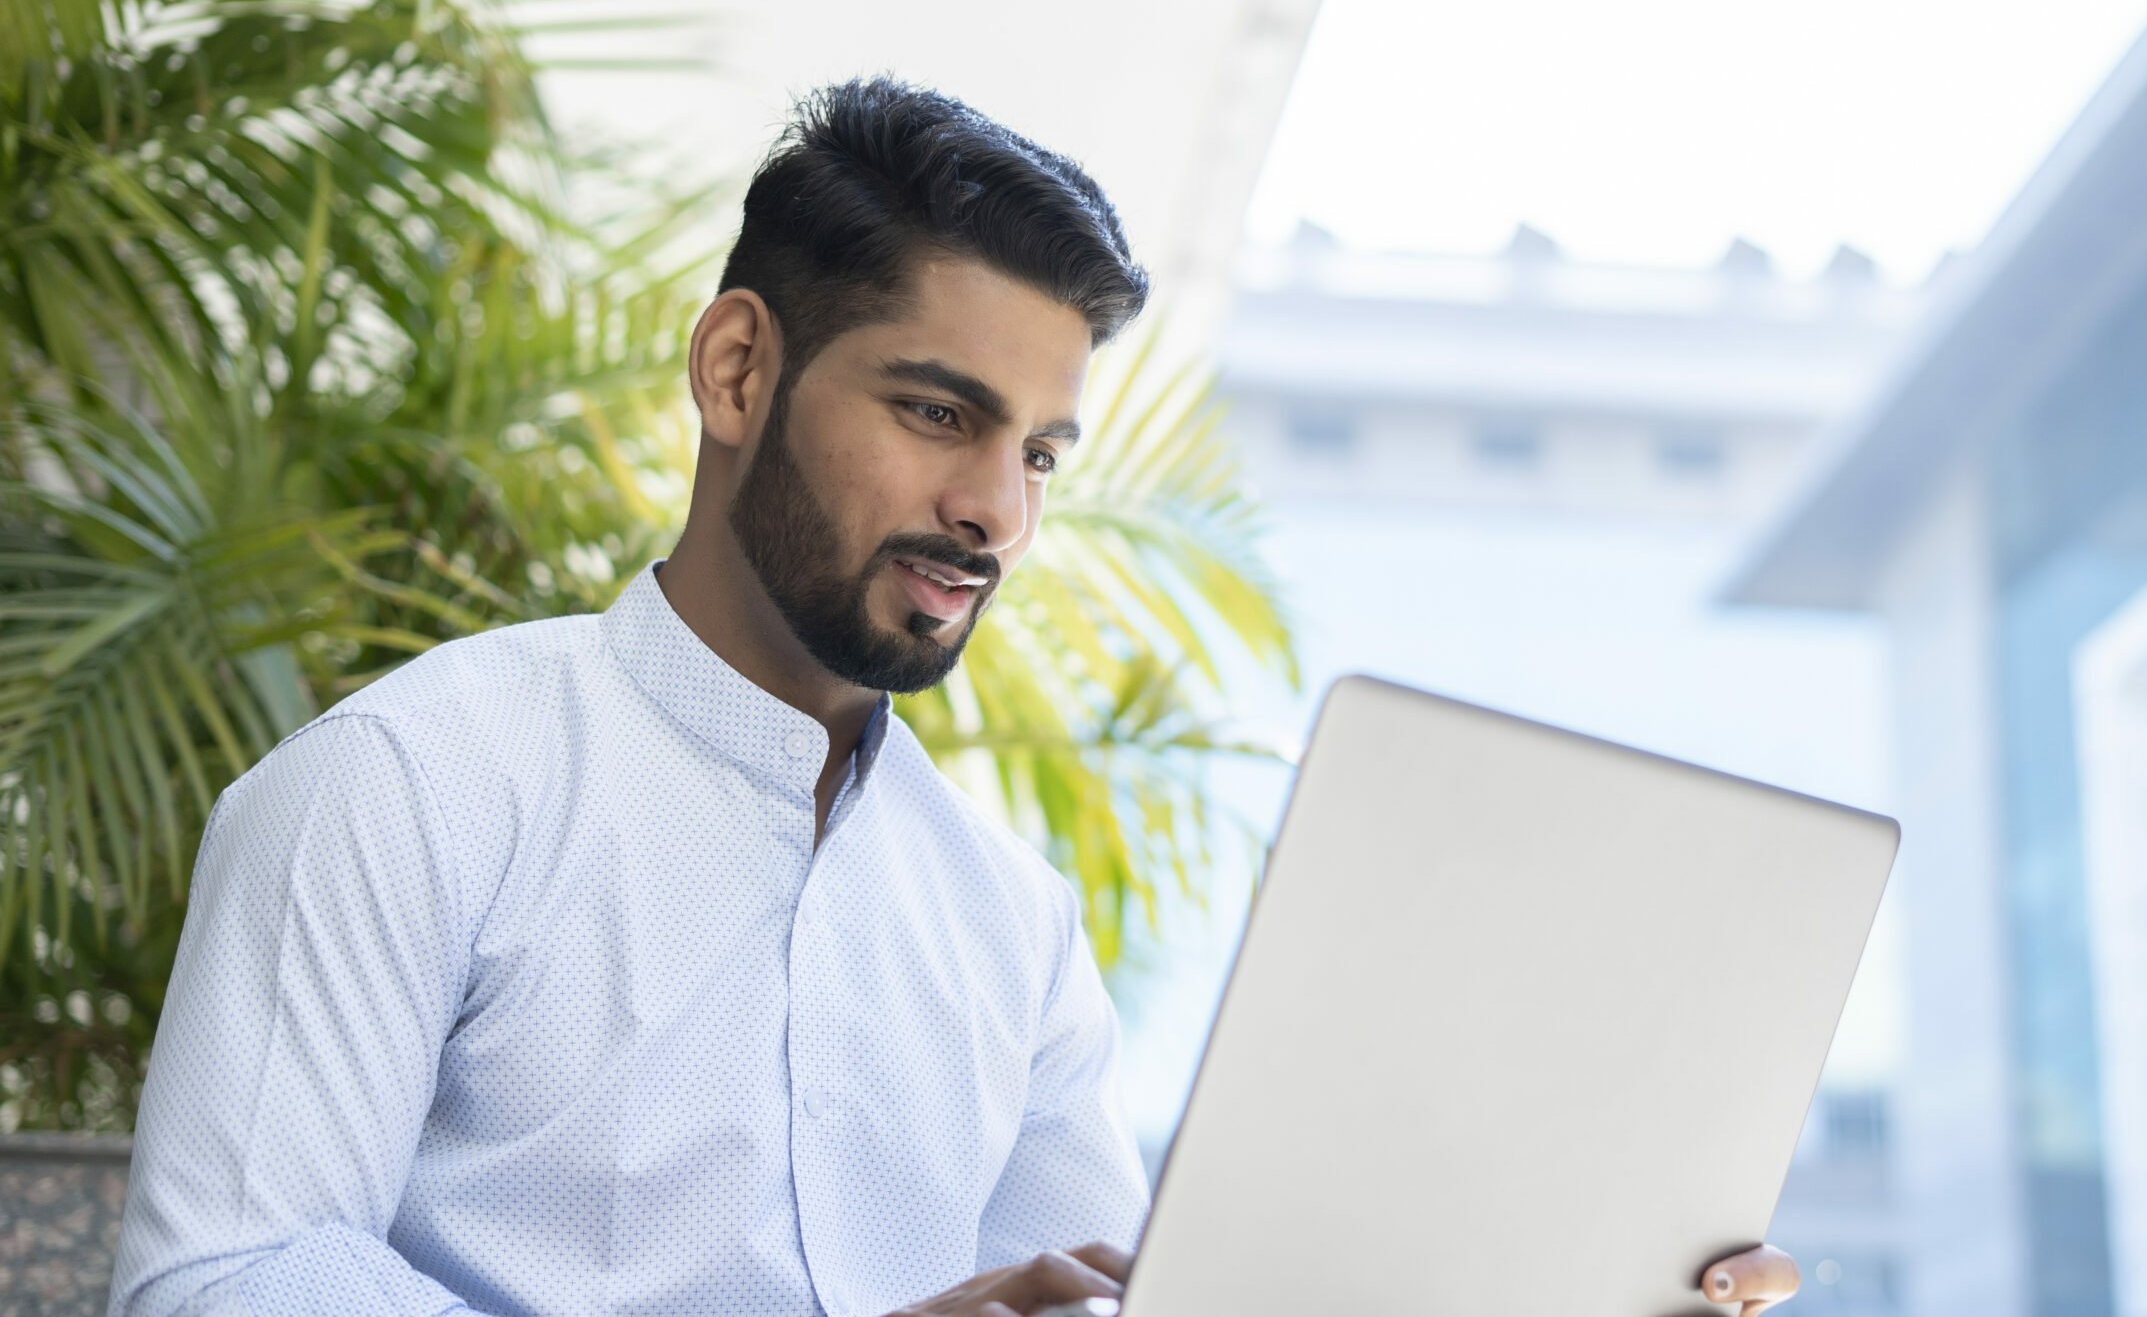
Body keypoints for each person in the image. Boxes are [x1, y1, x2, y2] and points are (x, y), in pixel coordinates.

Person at [106, 77, 1802, 1317]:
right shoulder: (412, 784)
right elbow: (216, 1284)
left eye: (1041, 451)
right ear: (738, 370)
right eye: (938, 413)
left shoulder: (1011, 927)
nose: (998, 509)